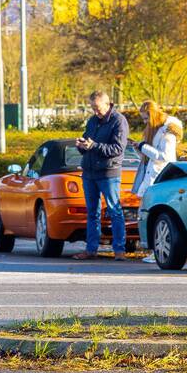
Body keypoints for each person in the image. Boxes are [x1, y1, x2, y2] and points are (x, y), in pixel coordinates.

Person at [73, 90, 130, 261]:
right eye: (92, 108)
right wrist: (81, 145)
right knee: (92, 213)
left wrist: (93, 146)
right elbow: (87, 140)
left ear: (108, 104)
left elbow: (118, 149)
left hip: (108, 173)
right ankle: (91, 249)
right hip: (89, 172)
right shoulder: (92, 121)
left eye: (97, 108)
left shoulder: (118, 121)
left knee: (114, 210)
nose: (95, 112)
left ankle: (119, 250)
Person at [133, 100, 183, 263]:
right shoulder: (159, 130)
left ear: (153, 115)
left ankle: (159, 250)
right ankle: (156, 249)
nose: (145, 123)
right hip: (154, 175)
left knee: (155, 216)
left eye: (146, 119)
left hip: (160, 177)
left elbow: (165, 157)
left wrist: (143, 147)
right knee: (150, 215)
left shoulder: (167, 133)